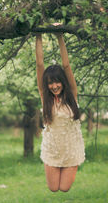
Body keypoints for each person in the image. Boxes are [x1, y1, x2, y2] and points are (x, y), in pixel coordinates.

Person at [35, 28, 85, 192]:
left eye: (57, 82)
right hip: (53, 148)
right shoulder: (45, 99)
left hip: (71, 147)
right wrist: (38, 34)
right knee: (53, 188)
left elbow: (66, 65)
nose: (54, 86)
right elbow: (40, 64)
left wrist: (60, 36)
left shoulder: (72, 96)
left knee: (64, 188)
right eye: (50, 83)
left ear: (62, 82)